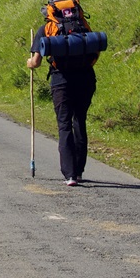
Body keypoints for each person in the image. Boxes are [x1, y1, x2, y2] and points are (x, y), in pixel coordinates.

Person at [28, 19, 97, 187]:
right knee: (80, 120)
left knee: (64, 124)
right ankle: (79, 171)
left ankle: (70, 174)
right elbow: (94, 51)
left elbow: (36, 62)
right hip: (86, 78)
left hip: (61, 80)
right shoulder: (81, 24)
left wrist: (29, 63)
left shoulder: (46, 28)